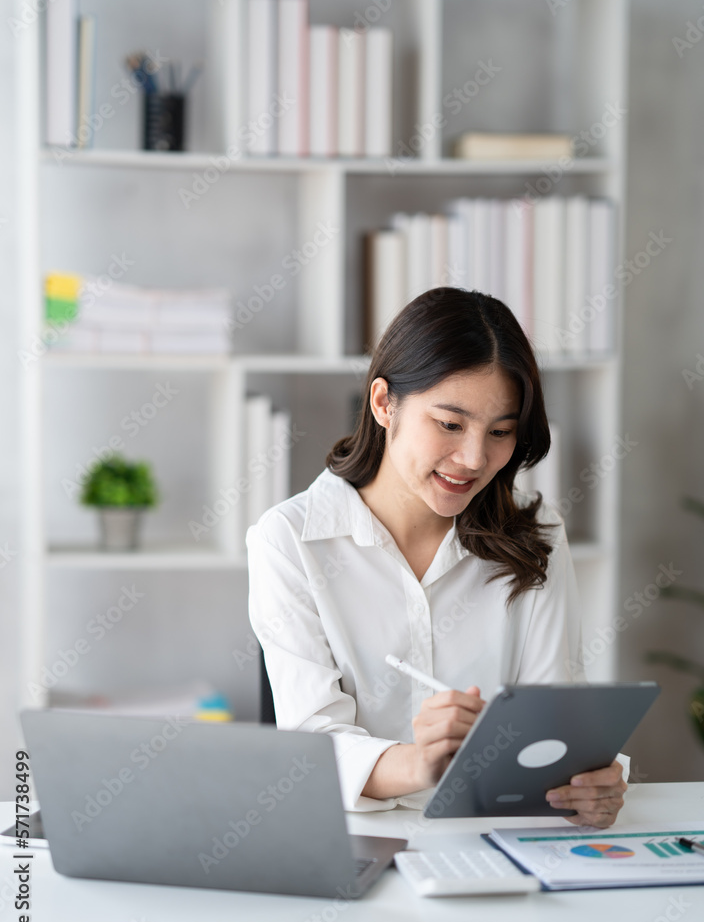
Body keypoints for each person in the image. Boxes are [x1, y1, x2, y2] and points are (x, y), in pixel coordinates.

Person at [246, 288, 627, 828]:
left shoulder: (536, 534)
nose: (474, 458)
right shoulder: (290, 540)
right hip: (356, 839)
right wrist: (423, 763)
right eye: (450, 424)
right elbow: (312, 747)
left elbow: (554, 718)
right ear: (383, 403)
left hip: (502, 835)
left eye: (500, 432)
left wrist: (590, 784)